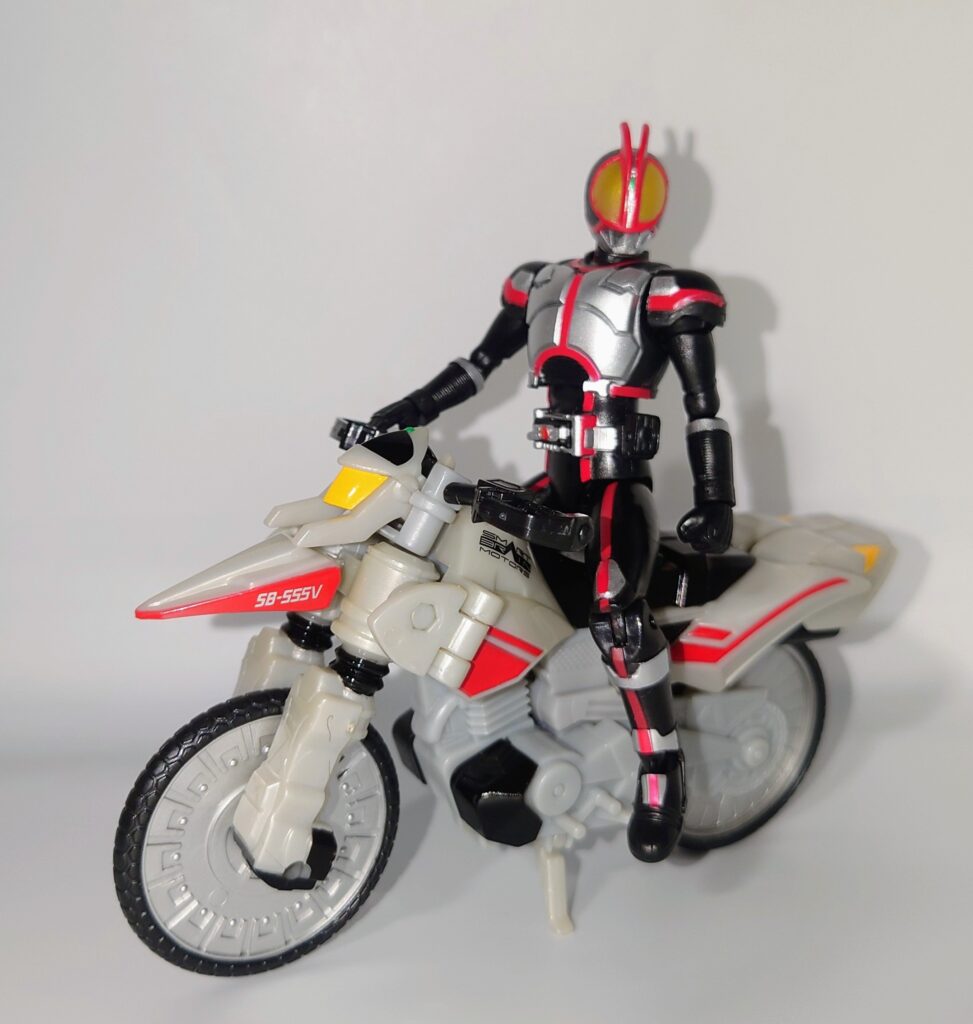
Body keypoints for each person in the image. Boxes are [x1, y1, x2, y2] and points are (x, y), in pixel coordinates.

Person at [369, 123, 735, 862]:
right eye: (616, 197)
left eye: (640, 202)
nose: (625, 217)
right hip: (554, 481)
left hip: (615, 488)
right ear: (592, 201)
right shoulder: (541, 282)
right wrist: (409, 410)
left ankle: (661, 768)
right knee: (461, 553)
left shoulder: (667, 294)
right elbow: (478, 365)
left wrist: (715, 499)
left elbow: (704, 407)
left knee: (617, 615)